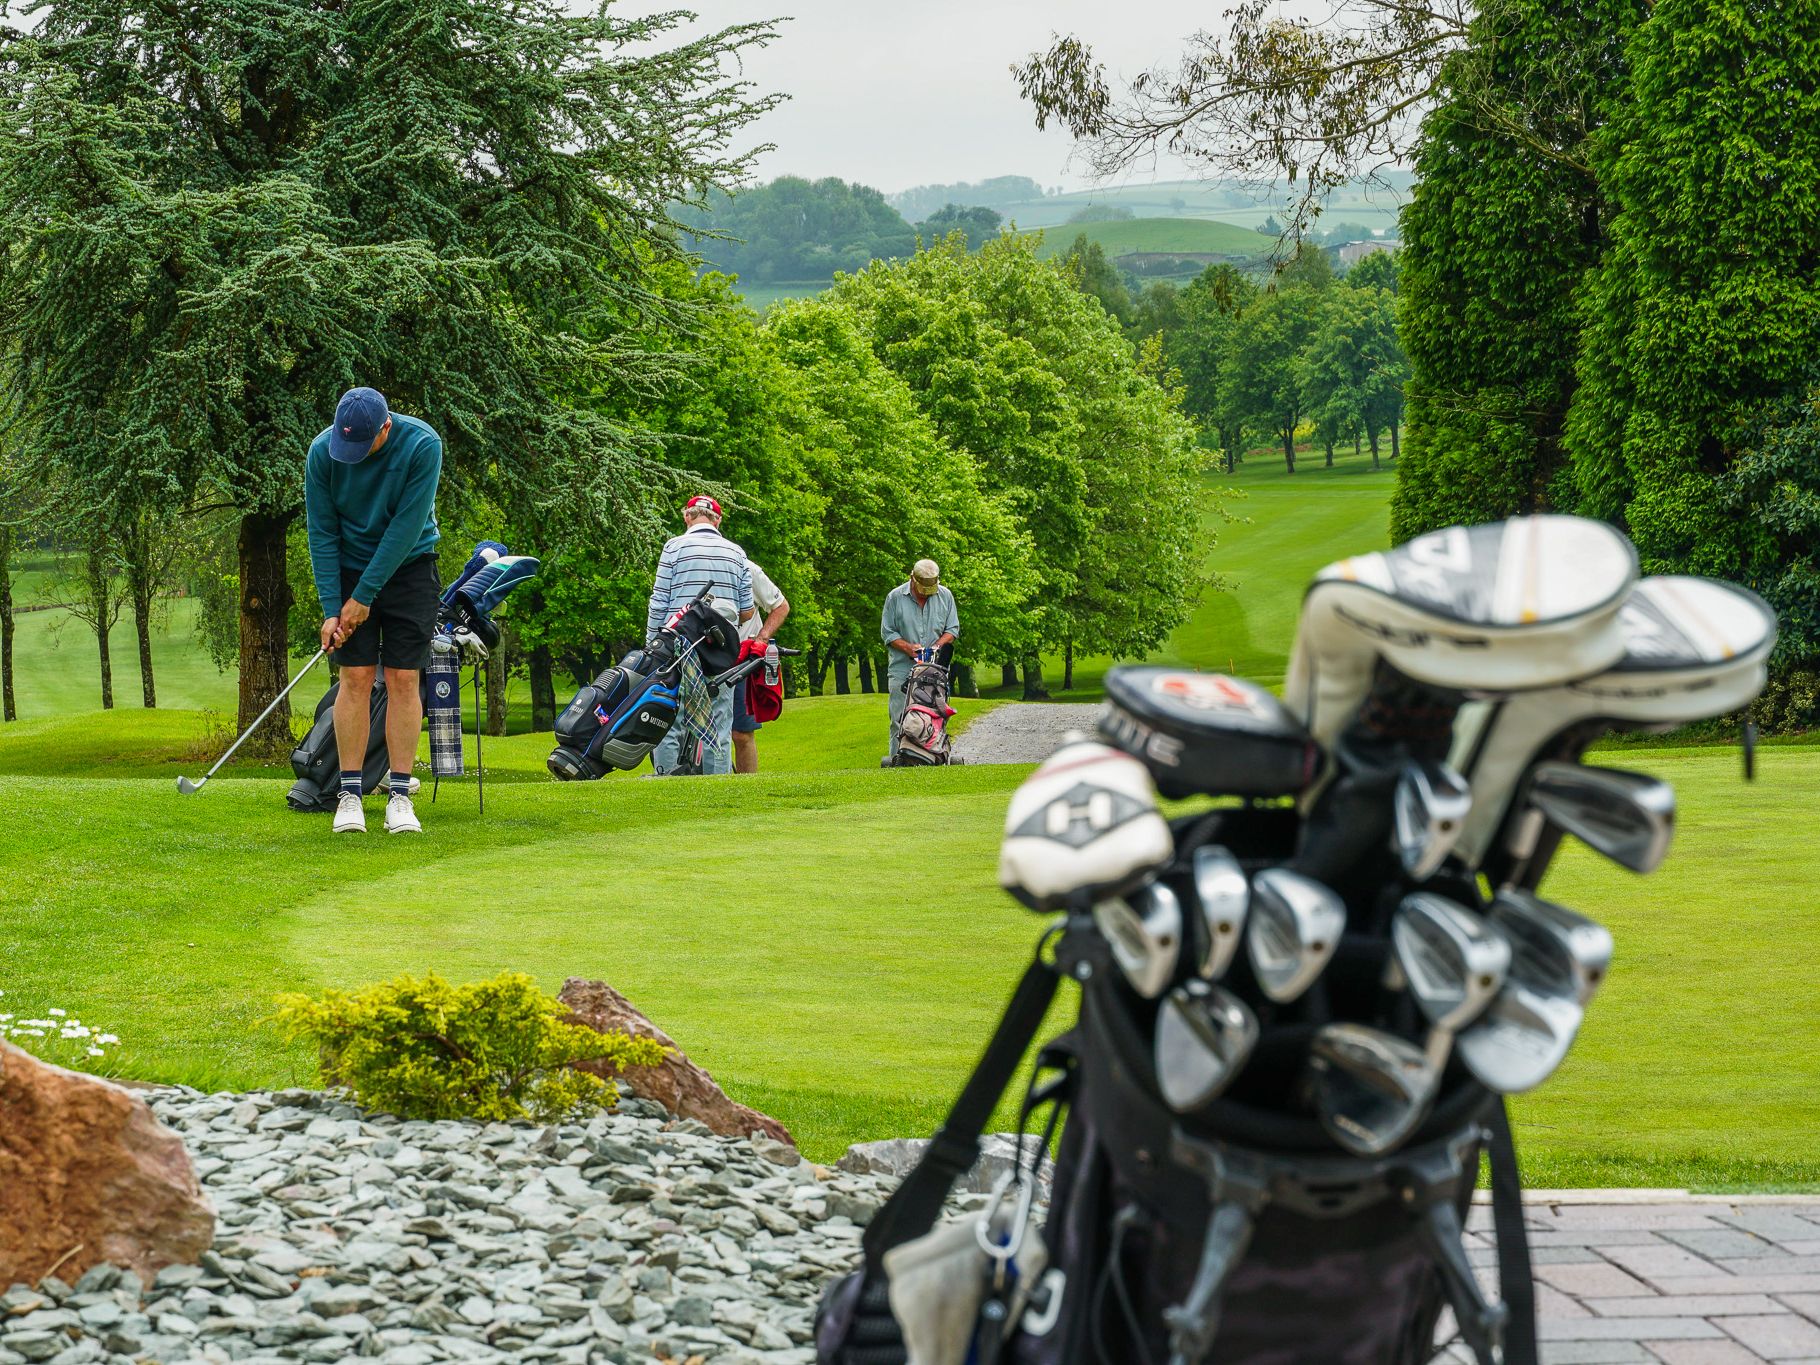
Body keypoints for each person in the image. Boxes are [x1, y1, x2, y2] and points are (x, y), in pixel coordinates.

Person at [305, 386, 443, 836]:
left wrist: (363, 597)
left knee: (404, 677)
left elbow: (404, 528)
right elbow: (322, 531)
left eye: (364, 446)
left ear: (386, 426)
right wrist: (333, 608)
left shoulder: (423, 445)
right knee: (356, 677)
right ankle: (349, 794)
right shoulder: (322, 453)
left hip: (410, 566)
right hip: (348, 568)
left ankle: (399, 796)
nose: (355, 456)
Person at [646, 496, 754, 775]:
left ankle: (666, 777)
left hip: (678, 643)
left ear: (687, 517)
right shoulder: (737, 553)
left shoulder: (673, 547)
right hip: (721, 648)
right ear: (718, 520)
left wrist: (652, 644)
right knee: (719, 720)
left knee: (670, 714)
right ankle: (716, 782)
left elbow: (659, 601)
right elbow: (747, 612)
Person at [881, 558, 959, 761]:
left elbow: (952, 629)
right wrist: (909, 648)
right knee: (899, 718)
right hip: (902, 668)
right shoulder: (895, 597)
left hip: (935, 670)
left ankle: (933, 758)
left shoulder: (945, 596)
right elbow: (888, 632)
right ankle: (899, 761)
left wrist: (937, 647)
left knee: (935, 716)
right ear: (912, 578)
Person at [733, 560, 790, 774]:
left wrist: (762, 638)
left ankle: (748, 789)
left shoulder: (748, 569)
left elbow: (781, 606)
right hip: (705, 657)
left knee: (742, 733)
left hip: (742, 659)